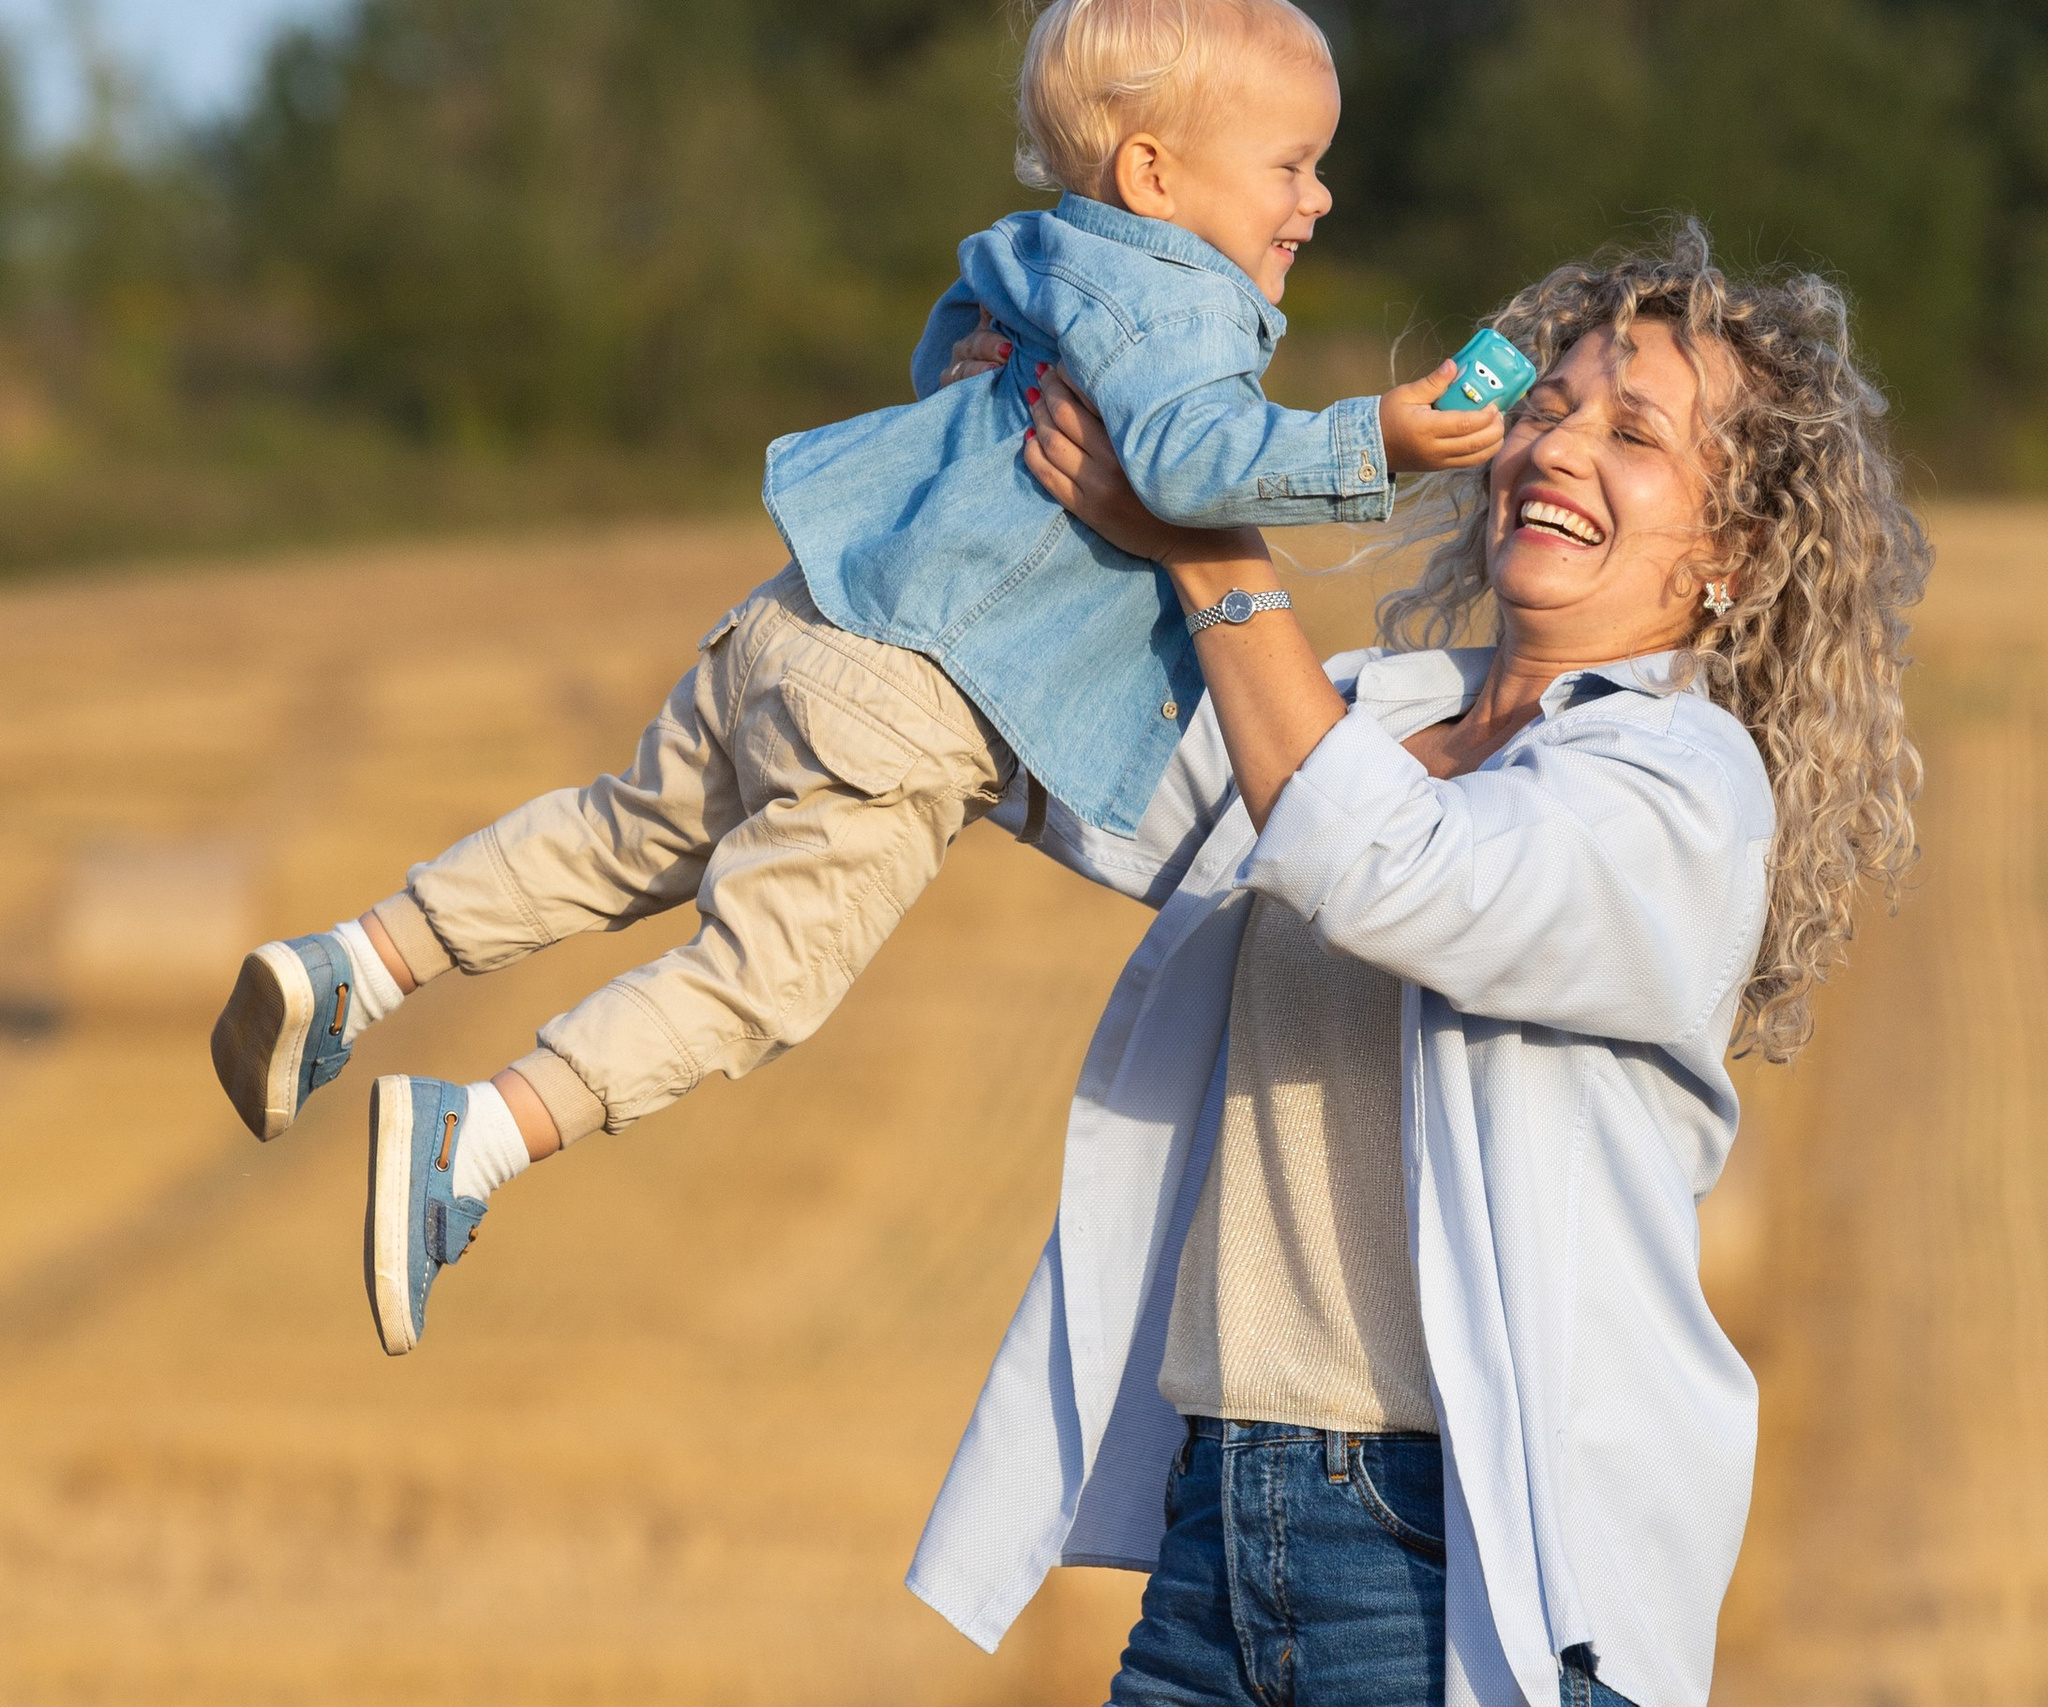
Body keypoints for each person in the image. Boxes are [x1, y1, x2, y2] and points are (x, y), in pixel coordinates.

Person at [203, 0, 1505, 1356]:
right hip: (908, 703)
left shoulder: (1055, 245)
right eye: (1292, 165)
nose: (1321, 195)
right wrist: (1383, 440)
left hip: (808, 607)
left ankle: (354, 960)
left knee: (623, 829)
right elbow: (1192, 461)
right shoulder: (1186, 302)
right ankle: (479, 1138)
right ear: (1156, 175)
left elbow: (951, 339)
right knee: (759, 979)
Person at [914, 223, 1927, 1707]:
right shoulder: (1363, 715)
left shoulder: (1681, 788)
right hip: (1215, 1539)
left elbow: (1395, 873)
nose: (1554, 448)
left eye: (1632, 431)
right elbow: (1074, 772)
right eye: (1546, 409)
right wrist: (996, 430)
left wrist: (1208, 538)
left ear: (1737, 553)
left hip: (1453, 1564)